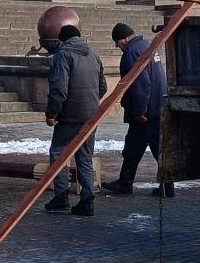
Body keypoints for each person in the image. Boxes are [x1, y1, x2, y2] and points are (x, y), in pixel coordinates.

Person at [42, 23, 105, 216]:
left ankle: (61, 197)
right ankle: (87, 200)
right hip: (90, 116)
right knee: (84, 158)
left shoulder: (63, 55)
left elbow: (59, 89)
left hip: (70, 116)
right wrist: (90, 104)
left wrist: (52, 114)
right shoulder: (93, 55)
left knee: (58, 154)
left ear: (62, 39)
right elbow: (103, 87)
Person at [105, 22, 172, 198]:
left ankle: (125, 183)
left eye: (117, 43)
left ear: (124, 39)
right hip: (158, 106)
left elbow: (140, 83)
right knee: (158, 147)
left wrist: (139, 111)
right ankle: (168, 186)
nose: (117, 47)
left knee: (133, 147)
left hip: (145, 112)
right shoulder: (147, 46)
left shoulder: (132, 52)